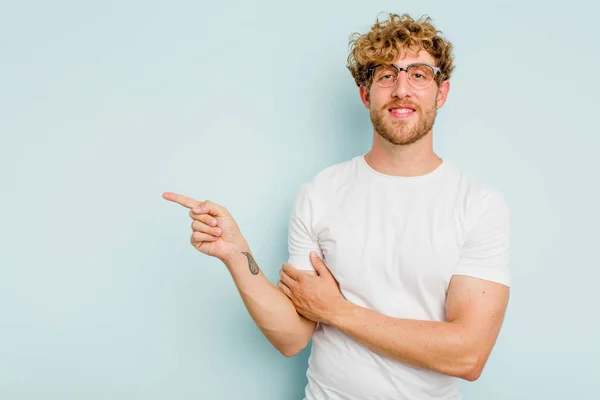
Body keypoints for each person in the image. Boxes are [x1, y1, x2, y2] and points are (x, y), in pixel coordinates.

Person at [163, 12, 511, 400]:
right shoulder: (320, 192)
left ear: (440, 92)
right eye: (385, 75)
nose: (401, 89)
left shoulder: (479, 205)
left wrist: (336, 310)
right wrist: (237, 254)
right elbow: (293, 338)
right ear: (365, 94)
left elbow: (468, 355)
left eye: (418, 74)